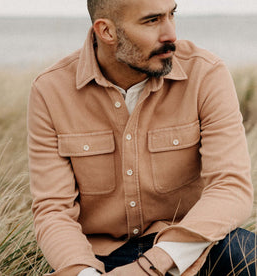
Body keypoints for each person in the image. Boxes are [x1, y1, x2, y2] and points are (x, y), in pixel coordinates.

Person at [28, 0, 256, 275]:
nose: (171, 34)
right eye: (152, 21)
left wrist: (153, 264)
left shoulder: (206, 73)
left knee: (247, 255)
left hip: (187, 248)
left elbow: (231, 187)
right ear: (107, 32)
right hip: (99, 258)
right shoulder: (50, 90)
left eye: (172, 14)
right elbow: (53, 211)